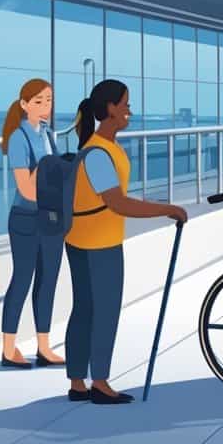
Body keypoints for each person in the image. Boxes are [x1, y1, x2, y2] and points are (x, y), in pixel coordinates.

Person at [66, 79, 187, 404]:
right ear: (109, 109)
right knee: (103, 310)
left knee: (84, 308)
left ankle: (78, 381)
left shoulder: (96, 148)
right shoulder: (99, 154)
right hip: (99, 242)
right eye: (125, 104)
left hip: (78, 237)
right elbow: (117, 203)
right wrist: (167, 209)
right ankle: (100, 383)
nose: (129, 110)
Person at [0, 78, 65, 369]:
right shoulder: (18, 138)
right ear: (25, 104)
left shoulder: (50, 135)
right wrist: (48, 169)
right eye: (39, 101)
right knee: (23, 278)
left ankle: (43, 346)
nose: (45, 106)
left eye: (49, 100)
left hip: (49, 216)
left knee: (48, 280)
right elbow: (26, 188)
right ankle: (8, 348)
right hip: (25, 218)